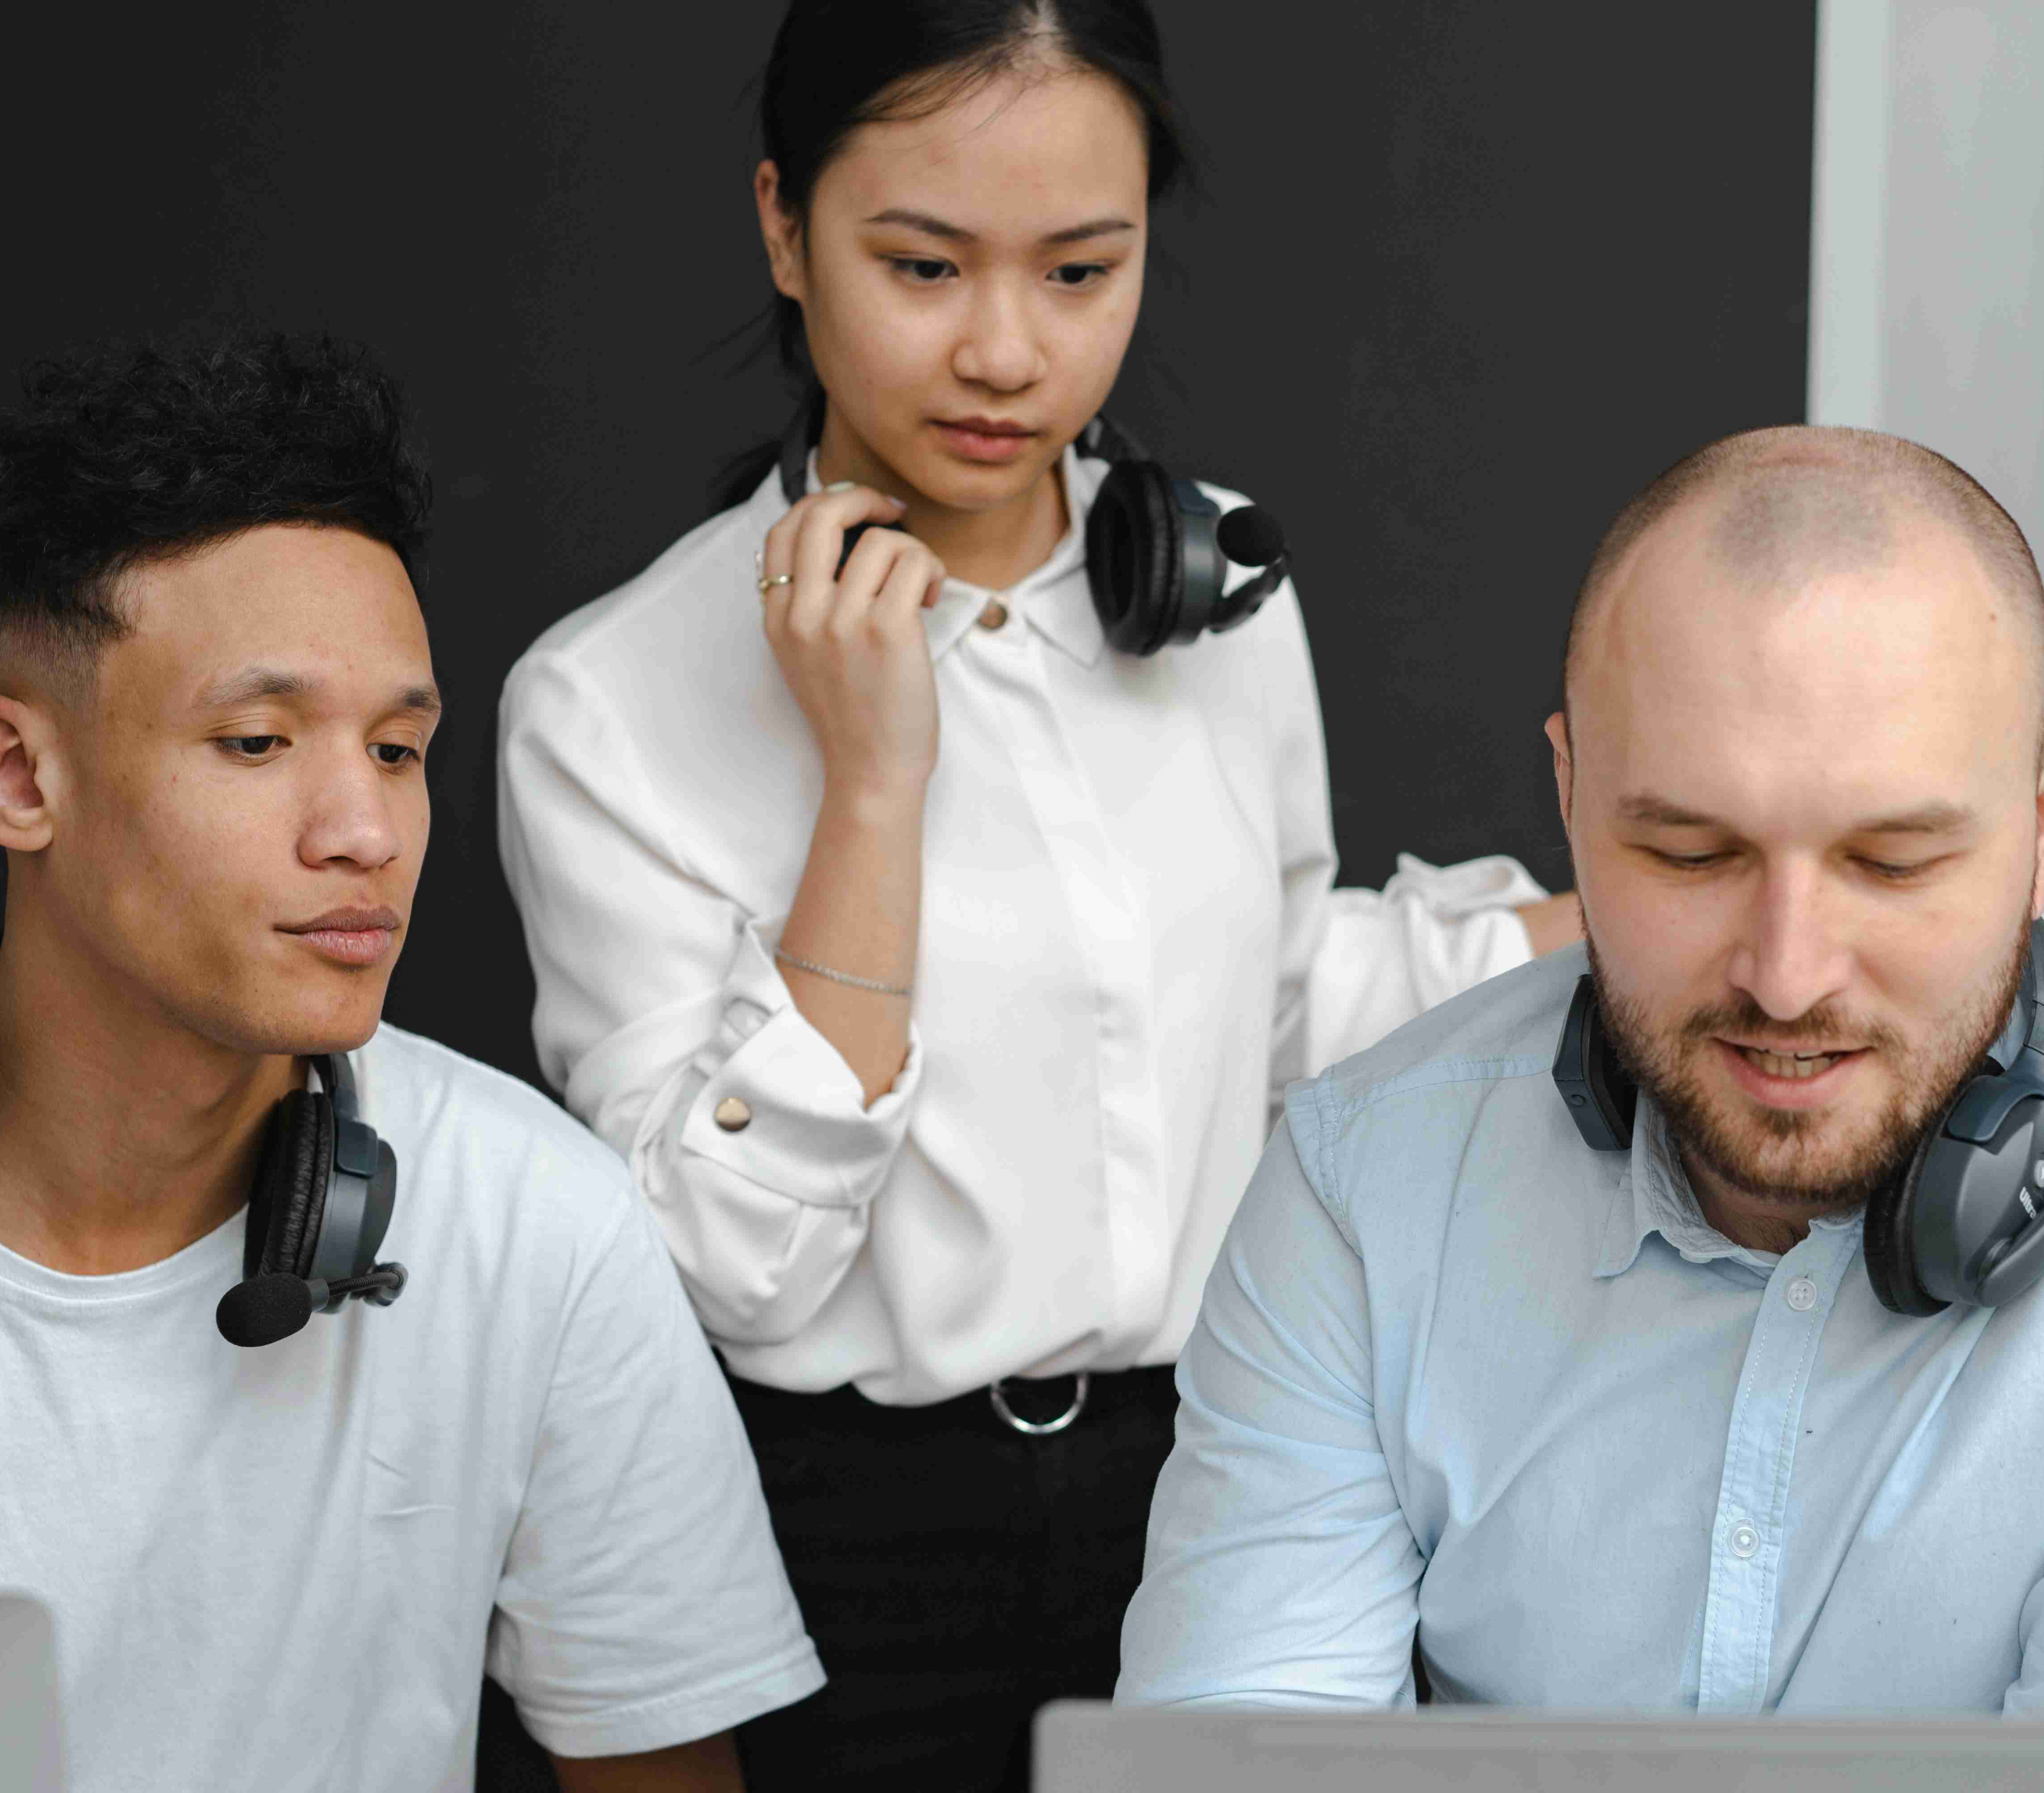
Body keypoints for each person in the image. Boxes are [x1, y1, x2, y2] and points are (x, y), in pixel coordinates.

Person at [494, 2, 1580, 1784]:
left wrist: (1660, 902)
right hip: (842, 1541)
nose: (1006, 352)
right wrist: (873, 783)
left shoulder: (1219, 588)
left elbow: (1275, 1010)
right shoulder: (606, 703)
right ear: (785, 228)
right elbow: (730, 1267)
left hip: (1236, 1478)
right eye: (923, 266)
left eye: (1081, 271)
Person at [1116, 425, 2044, 1713]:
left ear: (2043, 819)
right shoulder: (1365, 1181)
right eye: (1691, 856)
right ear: (1568, 794)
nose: (1787, 978)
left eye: (1892, 864)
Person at [0, 335, 820, 1792]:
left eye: (397, 751)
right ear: (17, 776)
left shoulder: (541, 1222)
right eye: (257, 742)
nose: (365, 833)